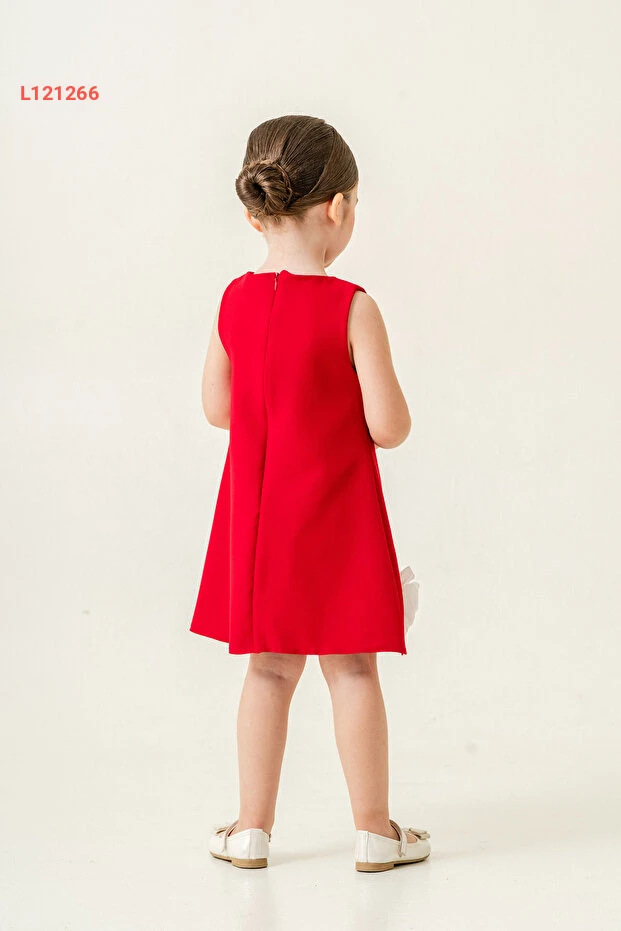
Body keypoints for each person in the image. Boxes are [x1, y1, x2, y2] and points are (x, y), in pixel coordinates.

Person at [189, 115, 431, 872]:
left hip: (260, 520)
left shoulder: (234, 300)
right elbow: (389, 426)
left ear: (254, 213)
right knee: (352, 669)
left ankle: (250, 830)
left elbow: (218, 409)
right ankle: (374, 831)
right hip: (337, 520)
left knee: (267, 670)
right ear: (339, 206)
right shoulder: (352, 306)